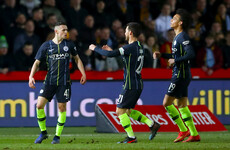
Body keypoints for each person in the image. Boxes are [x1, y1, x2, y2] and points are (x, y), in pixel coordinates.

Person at [89, 22, 160, 143]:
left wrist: (94, 48)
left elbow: (110, 54)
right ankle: (151, 124)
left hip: (130, 84)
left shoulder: (130, 47)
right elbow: (127, 59)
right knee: (127, 111)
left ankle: (131, 137)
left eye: (126, 31)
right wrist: (112, 51)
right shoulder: (139, 46)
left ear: (131, 33)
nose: (125, 33)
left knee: (119, 111)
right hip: (137, 83)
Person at [28, 21, 87, 144]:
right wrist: (31, 76)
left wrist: (83, 73)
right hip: (49, 81)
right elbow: (37, 62)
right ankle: (43, 132)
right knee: (39, 106)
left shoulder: (69, 45)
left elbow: (77, 59)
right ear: (56, 31)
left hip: (64, 82)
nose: (66, 32)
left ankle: (57, 136)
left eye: (67, 30)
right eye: (63, 30)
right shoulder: (46, 46)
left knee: (61, 108)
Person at [153, 9, 200, 142]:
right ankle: (194, 134)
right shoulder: (177, 37)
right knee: (182, 105)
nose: (171, 20)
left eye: (174, 18)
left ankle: (183, 130)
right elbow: (178, 55)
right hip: (183, 74)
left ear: (180, 23)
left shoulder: (183, 36)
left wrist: (175, 61)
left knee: (167, 103)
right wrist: (162, 55)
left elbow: (191, 54)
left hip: (180, 74)